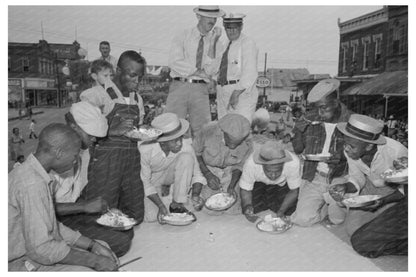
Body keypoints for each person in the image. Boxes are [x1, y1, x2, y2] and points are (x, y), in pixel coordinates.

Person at [9, 123, 118, 271]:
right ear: (59, 153)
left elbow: (51, 225)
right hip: (18, 261)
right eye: (74, 155)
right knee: (87, 270)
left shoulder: (34, 172)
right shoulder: (32, 183)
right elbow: (41, 249)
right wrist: (94, 261)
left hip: (33, 250)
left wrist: (92, 245)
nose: (75, 160)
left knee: (101, 247)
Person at [80, 50, 146, 225]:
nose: (137, 81)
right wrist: (109, 131)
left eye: (140, 76)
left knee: (135, 214)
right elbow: (76, 124)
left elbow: (138, 127)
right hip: (106, 160)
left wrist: (143, 131)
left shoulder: (137, 98)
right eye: (132, 75)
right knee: (101, 213)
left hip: (131, 159)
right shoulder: (99, 94)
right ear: (118, 71)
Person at [328, 114, 408, 236]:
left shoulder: (396, 151)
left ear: (369, 146)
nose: (346, 149)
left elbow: (405, 189)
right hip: (370, 188)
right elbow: (357, 178)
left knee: (382, 231)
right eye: (345, 144)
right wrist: (345, 187)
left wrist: (383, 201)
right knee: (354, 230)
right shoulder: (351, 152)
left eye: (352, 146)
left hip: (395, 193)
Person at [290, 78, 352, 226]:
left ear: (336, 103)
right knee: (302, 220)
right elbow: (298, 149)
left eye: (324, 107)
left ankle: (331, 206)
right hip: (315, 177)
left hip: (341, 177)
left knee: (338, 220)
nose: (320, 112)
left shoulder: (351, 121)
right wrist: (298, 129)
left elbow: (361, 156)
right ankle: (323, 205)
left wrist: (342, 157)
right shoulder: (311, 119)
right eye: (317, 108)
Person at [166, 5, 225, 136]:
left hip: (200, 89)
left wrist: (213, 42)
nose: (213, 21)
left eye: (215, 18)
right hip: (179, 86)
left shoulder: (218, 44)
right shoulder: (183, 35)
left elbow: (211, 70)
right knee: (171, 127)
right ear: (198, 16)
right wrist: (198, 72)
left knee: (203, 131)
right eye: (209, 17)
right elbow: (174, 62)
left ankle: (199, 157)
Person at [139, 113, 206, 223]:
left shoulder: (186, 146)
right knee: (151, 218)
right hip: (153, 180)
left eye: (180, 138)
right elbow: (145, 183)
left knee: (186, 158)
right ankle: (166, 200)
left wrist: (195, 195)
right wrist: (160, 206)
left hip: (173, 175)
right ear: (163, 142)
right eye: (174, 140)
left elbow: (197, 174)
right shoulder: (145, 149)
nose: (179, 143)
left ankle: (176, 203)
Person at [193, 113, 252, 214]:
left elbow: (239, 166)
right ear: (223, 132)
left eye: (238, 143)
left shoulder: (248, 142)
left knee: (233, 211)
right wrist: (207, 174)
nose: (233, 146)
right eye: (230, 141)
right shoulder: (207, 131)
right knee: (209, 210)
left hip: (230, 173)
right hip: (207, 169)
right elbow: (195, 154)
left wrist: (232, 185)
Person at [213, 13, 259, 123]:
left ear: (241, 27)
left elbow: (250, 71)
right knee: (224, 129)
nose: (231, 31)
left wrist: (236, 93)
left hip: (240, 92)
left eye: (235, 28)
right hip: (222, 91)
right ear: (224, 28)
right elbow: (216, 68)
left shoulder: (247, 43)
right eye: (228, 28)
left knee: (239, 129)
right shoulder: (224, 44)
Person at [239, 141, 301, 222]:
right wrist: (247, 206)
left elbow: (294, 191)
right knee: (250, 208)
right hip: (259, 183)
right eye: (269, 171)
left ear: (283, 164)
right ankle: (269, 199)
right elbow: (245, 188)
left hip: (282, 184)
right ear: (262, 165)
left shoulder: (293, 163)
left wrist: (281, 211)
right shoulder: (251, 163)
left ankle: (271, 200)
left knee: (289, 209)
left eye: (278, 171)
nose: (273, 175)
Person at [81, 59, 145, 125]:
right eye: (105, 76)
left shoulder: (113, 92)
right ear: (94, 76)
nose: (109, 79)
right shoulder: (90, 94)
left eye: (111, 75)